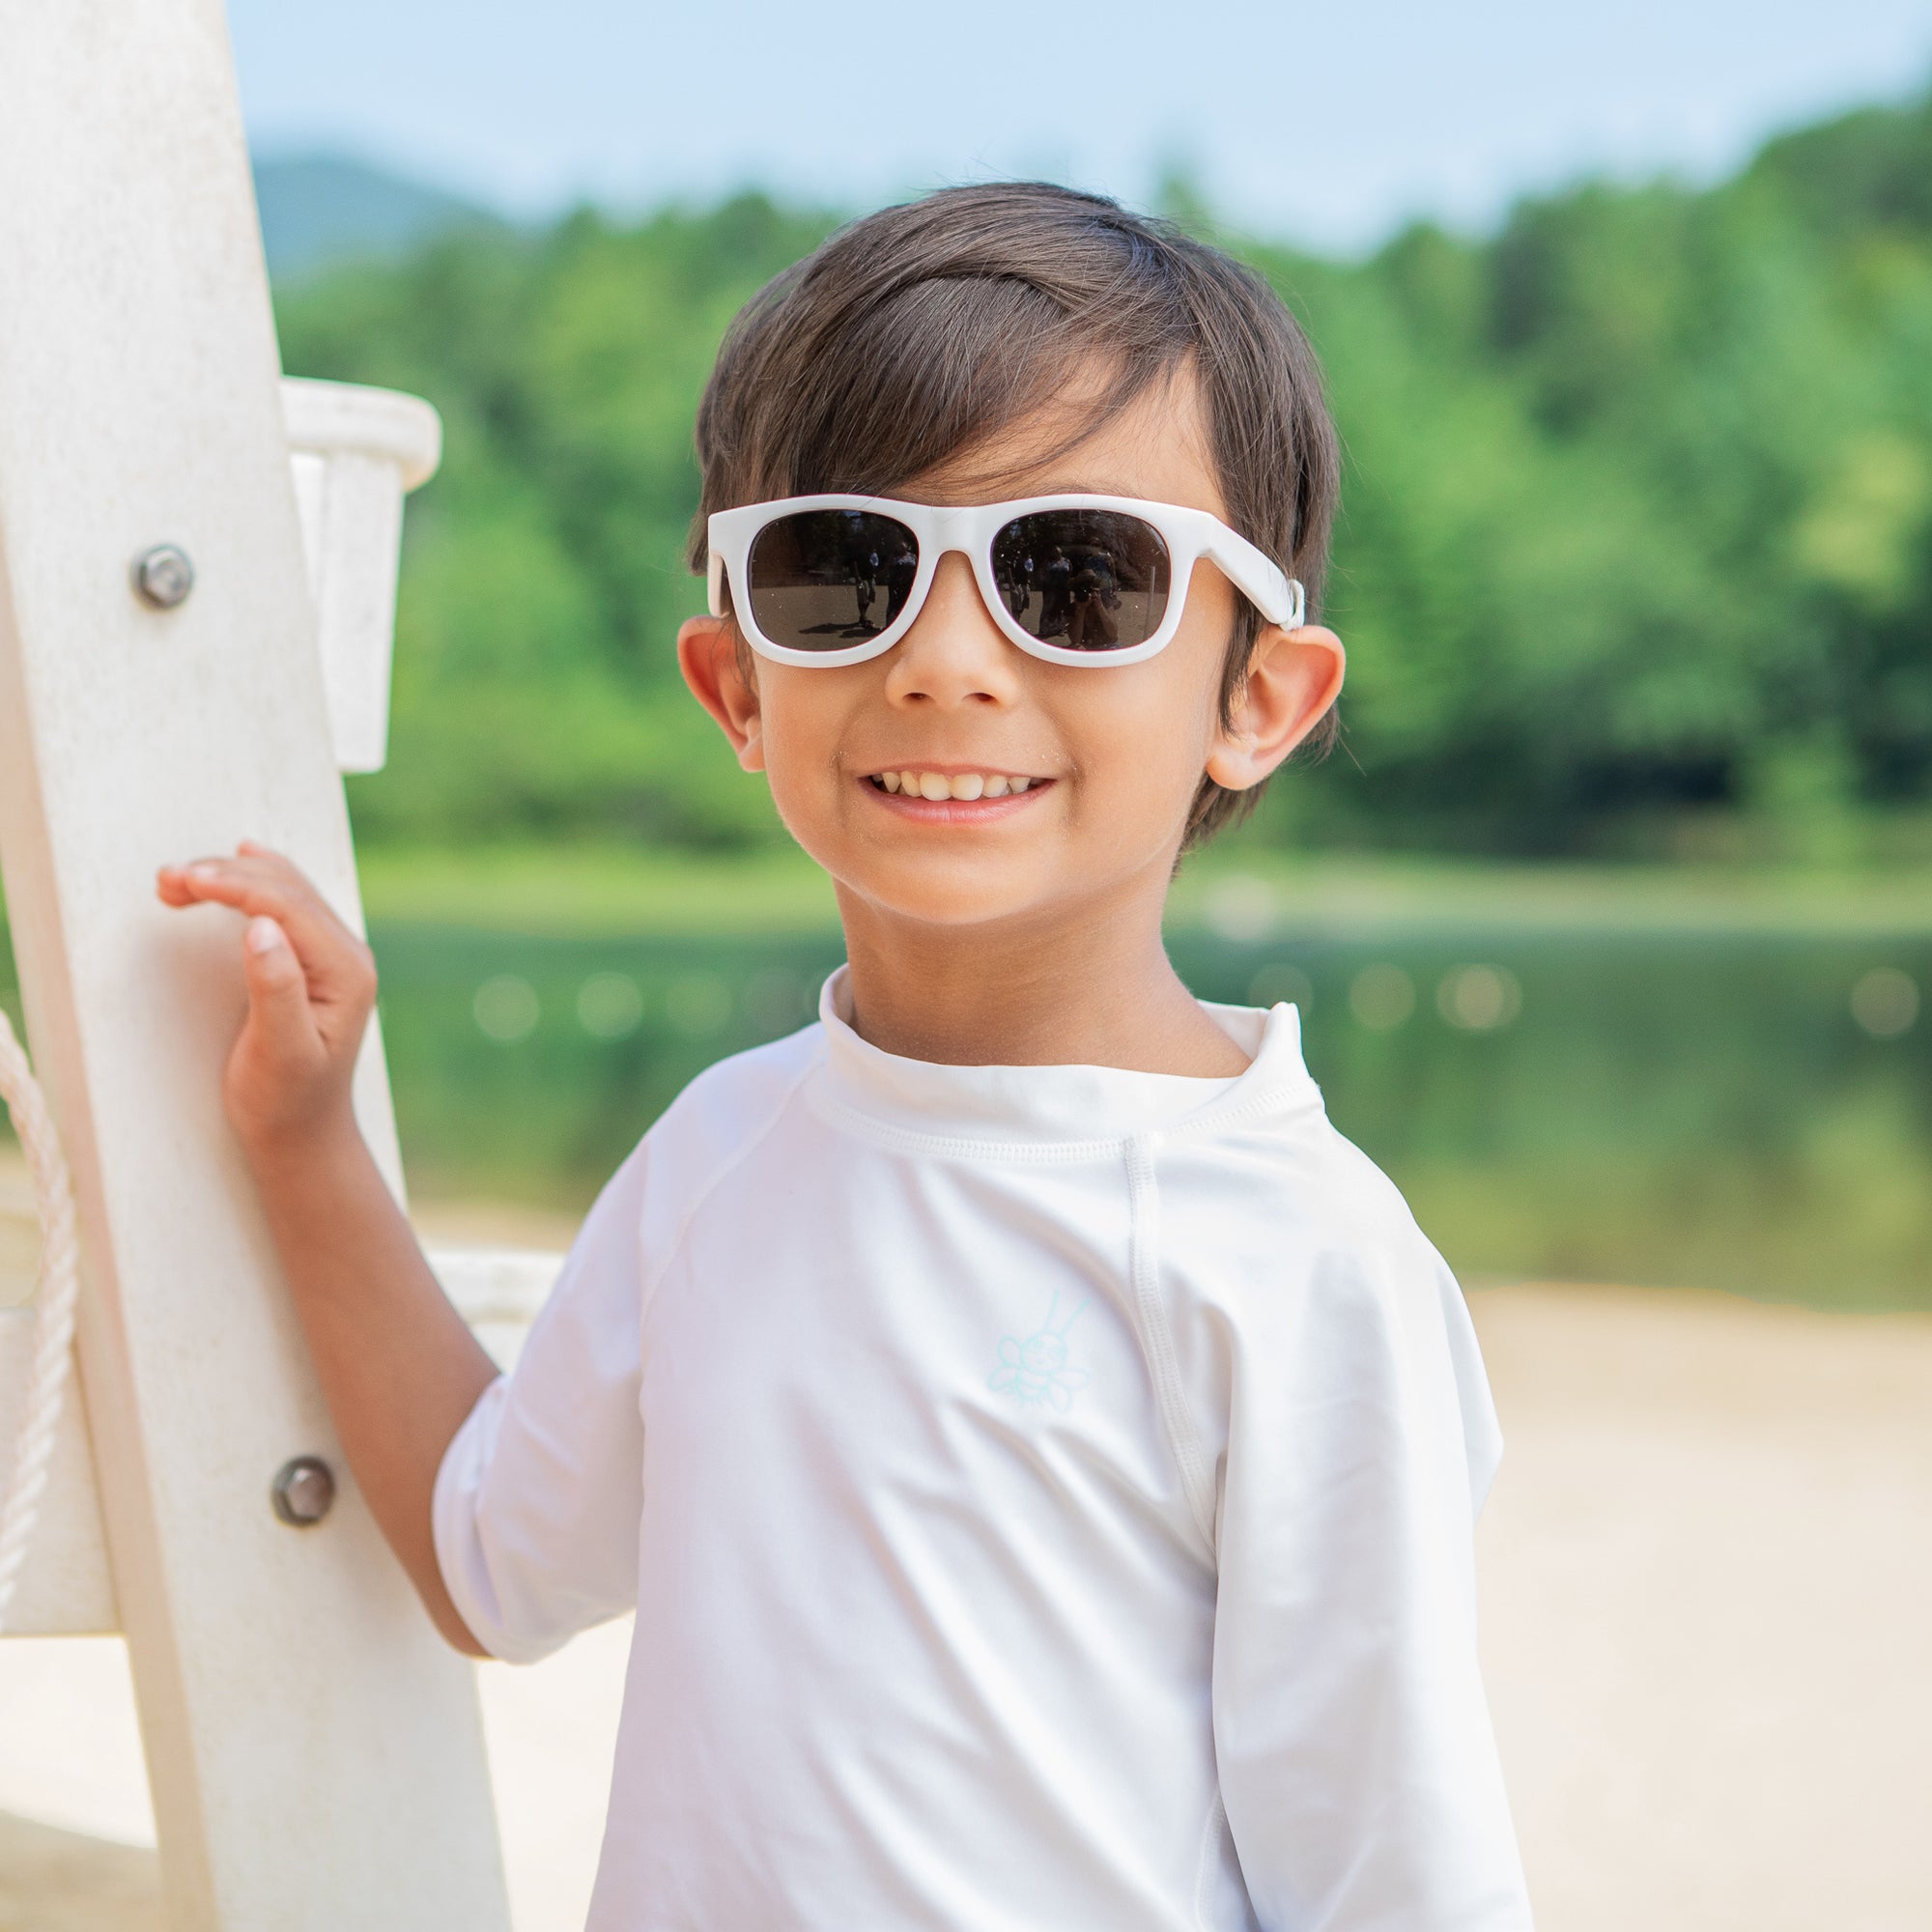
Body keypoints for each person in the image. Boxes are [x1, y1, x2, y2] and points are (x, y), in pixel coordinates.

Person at [156, 183, 1533, 1930]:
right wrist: (304, 1139)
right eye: (844, 573)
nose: (947, 663)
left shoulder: (1303, 1259)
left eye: (1079, 577)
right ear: (737, 687)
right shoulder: (724, 1152)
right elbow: (492, 1555)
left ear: (1258, 698)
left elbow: (1390, 1874)